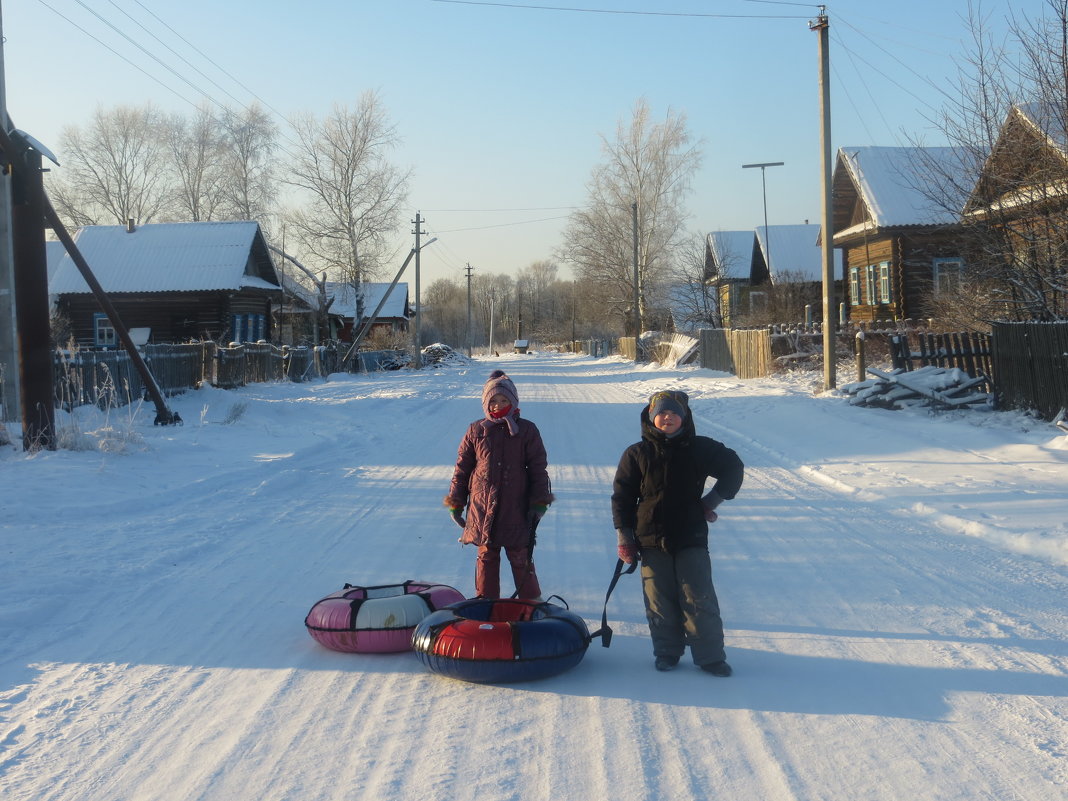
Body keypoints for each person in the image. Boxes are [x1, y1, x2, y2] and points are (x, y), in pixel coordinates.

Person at [611, 389, 744, 676]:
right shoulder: (636, 454)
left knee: (698, 595)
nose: (667, 417)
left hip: (690, 536)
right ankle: (667, 652)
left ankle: (710, 657)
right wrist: (625, 536)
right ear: (650, 417)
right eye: (661, 412)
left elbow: (733, 467)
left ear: (684, 418)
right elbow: (622, 498)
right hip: (649, 538)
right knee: (658, 598)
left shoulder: (700, 448)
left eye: (674, 413)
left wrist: (711, 501)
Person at [445, 370, 553, 599]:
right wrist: (456, 502)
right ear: (486, 403)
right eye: (493, 401)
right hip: (482, 506)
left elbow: (538, 469)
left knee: (520, 556)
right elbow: (462, 469)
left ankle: (531, 602)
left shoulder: (526, 430)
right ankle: (486, 601)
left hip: (515, 508)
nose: (498, 405)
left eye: (504, 400)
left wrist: (540, 502)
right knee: (486, 556)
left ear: (513, 402)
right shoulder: (476, 430)